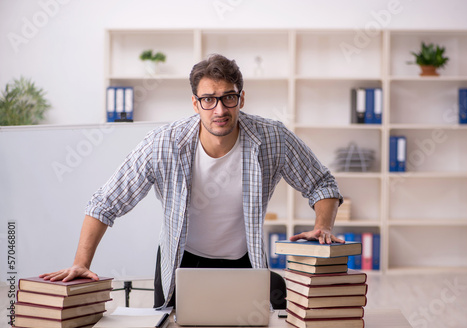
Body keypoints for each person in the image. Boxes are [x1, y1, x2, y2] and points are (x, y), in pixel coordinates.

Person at [40, 54, 344, 309]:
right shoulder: (165, 144)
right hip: (180, 263)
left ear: (241, 98)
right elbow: (105, 202)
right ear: (195, 104)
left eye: (228, 97)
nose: (220, 110)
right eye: (209, 100)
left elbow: (321, 183)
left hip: (244, 262)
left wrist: (324, 225)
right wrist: (81, 263)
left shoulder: (272, 137)